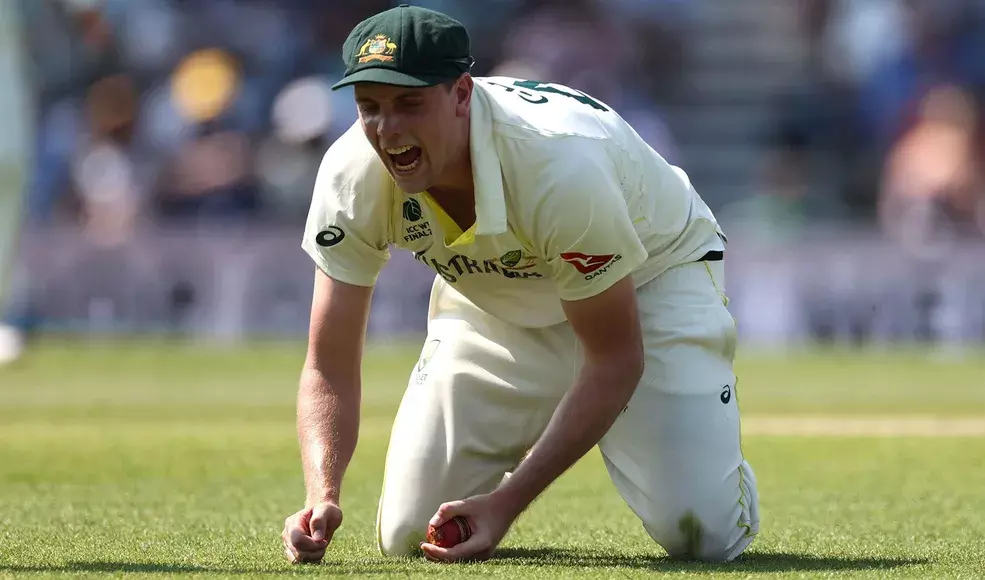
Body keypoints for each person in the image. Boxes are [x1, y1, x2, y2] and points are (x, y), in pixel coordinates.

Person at [282, 4, 759, 565]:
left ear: (462, 93)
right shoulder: (351, 171)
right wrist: (322, 493)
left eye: (410, 103)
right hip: (498, 301)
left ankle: (709, 457)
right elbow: (328, 359)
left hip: (649, 281)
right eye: (371, 107)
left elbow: (614, 360)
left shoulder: (558, 165)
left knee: (703, 537)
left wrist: (506, 503)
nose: (388, 130)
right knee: (411, 536)